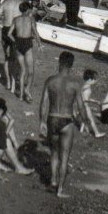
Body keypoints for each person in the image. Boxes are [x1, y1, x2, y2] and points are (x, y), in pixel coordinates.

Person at [38, 50, 86, 197]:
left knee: (53, 152)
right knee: (64, 156)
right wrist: (84, 121)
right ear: (71, 65)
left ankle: (53, 181)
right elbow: (80, 106)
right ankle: (60, 190)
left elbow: (43, 103)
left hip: (52, 117)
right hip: (67, 119)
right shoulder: (75, 83)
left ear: (59, 62)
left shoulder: (50, 80)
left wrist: (41, 121)